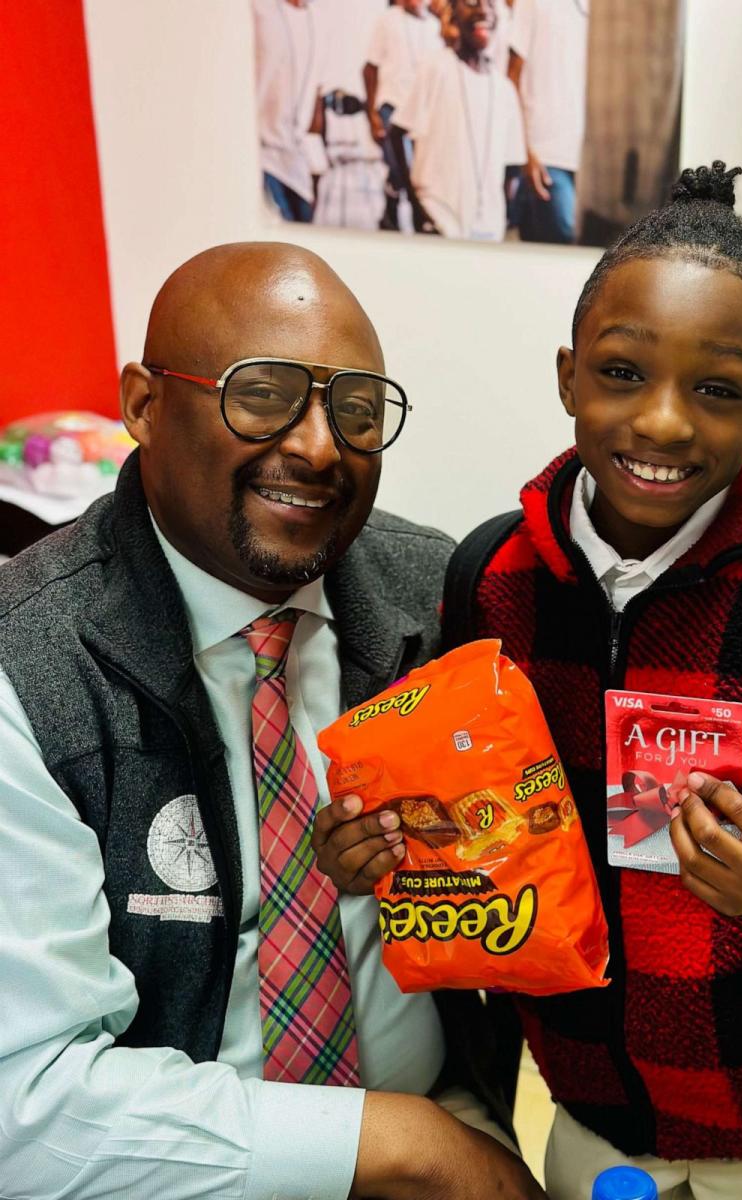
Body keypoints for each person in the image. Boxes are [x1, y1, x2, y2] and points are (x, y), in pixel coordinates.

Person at [325, 164, 742, 1197]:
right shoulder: (492, 584)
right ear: (570, 373)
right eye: (623, 373)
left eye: (717, 388)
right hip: (589, 1118)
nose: (664, 422)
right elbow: (472, 828)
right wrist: (390, 852)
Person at [0, 242, 546, 1200]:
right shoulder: (27, 666)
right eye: (263, 395)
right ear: (142, 405)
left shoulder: (441, 598)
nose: (320, 445)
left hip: (447, 1118)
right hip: (165, 1175)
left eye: (358, 410)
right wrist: (403, 1146)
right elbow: (28, 1111)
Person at [389, 0, 525, 240]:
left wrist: (498, 213)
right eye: (471, 2)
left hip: (488, 230)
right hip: (439, 217)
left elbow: (511, 168)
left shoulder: (505, 89)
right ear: (452, 12)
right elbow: (397, 133)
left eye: (490, 3)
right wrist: (417, 207)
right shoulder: (436, 67)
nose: (483, 9)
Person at [508, 0, 590, 243]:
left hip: (588, 163)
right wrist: (524, 151)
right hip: (545, 157)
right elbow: (511, 76)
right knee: (563, 241)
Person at [364, 0, 442, 231]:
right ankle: (413, 217)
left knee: (415, 172)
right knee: (401, 165)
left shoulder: (436, 26)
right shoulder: (388, 20)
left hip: (421, 115)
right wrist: (371, 114)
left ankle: (393, 212)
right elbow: (370, 68)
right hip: (392, 106)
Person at [253, 0, 328, 222]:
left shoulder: (319, 20)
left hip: (297, 159)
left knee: (302, 245)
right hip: (261, 155)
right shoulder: (258, 9)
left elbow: (316, 94)